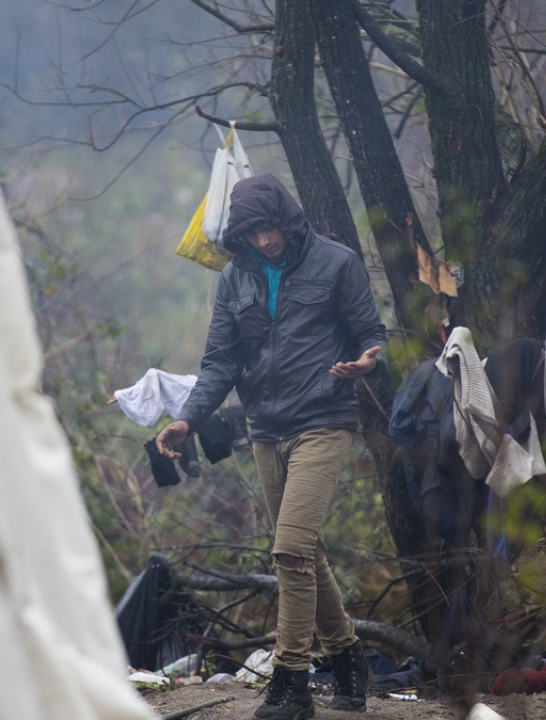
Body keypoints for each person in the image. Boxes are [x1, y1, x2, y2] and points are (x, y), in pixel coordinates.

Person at [157, 174, 385, 720]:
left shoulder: (337, 263)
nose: (265, 241)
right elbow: (220, 363)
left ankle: (291, 682)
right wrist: (188, 419)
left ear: (287, 220)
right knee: (303, 552)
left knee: (288, 550)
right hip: (265, 428)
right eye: (253, 232)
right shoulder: (234, 280)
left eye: (270, 229)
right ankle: (350, 658)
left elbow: (371, 334)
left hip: (323, 421)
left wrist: (368, 361)